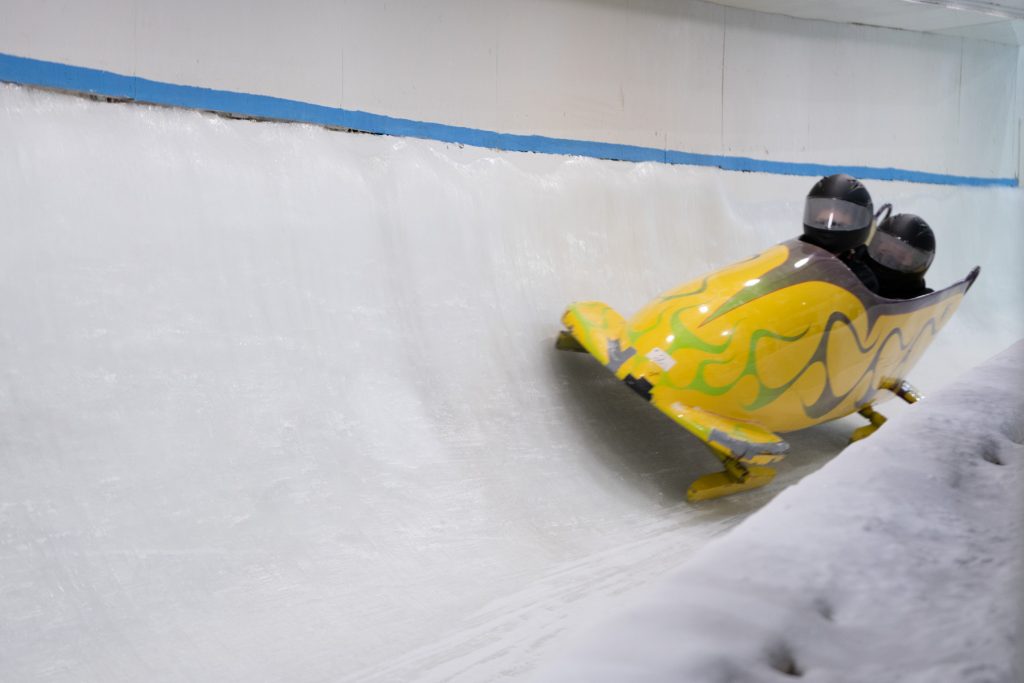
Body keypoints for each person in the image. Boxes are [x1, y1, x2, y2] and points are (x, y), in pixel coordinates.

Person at [799, 173, 879, 292]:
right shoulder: (793, 255)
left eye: (838, 224)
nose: (828, 228)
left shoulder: (862, 279)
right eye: (821, 222)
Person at [865, 213, 935, 299]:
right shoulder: (855, 262)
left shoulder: (916, 299)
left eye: (902, 253)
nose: (891, 255)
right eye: (887, 243)